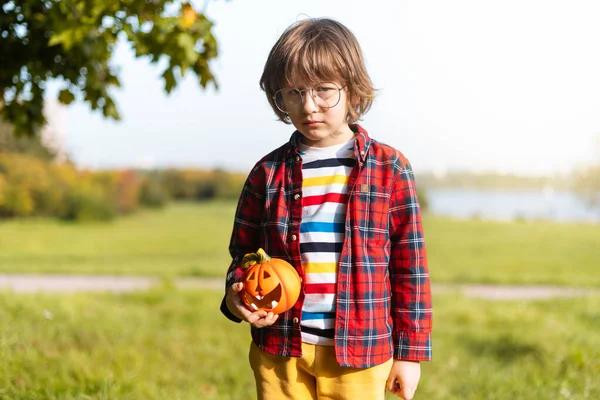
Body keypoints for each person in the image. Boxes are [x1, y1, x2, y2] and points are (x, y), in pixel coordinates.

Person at [220, 17, 432, 400]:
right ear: (279, 97)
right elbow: (243, 253)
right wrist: (237, 297)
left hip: (362, 352)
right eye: (294, 92)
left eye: (323, 90)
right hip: (279, 349)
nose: (309, 105)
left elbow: (410, 268)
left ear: (351, 90)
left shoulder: (390, 169)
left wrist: (410, 353)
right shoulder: (267, 173)